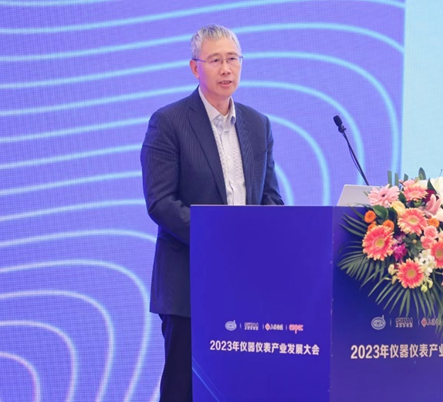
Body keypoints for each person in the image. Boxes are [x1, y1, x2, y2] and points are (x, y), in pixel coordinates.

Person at [140, 24, 284, 401]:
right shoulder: (169, 122)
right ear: (195, 68)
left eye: (233, 59)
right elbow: (160, 202)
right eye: (215, 60)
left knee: (240, 386)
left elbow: (270, 198)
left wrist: (262, 241)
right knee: (184, 389)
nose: (226, 69)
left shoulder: (258, 124)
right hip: (189, 281)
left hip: (245, 282)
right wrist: (221, 242)